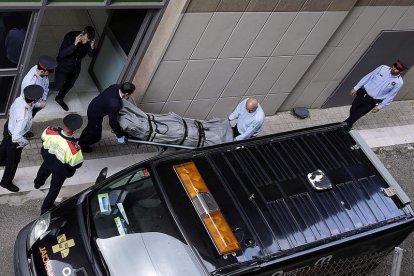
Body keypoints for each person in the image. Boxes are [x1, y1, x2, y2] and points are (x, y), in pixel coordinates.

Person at [34, 113, 83, 214]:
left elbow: (43, 140)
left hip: (48, 160)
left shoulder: (50, 131)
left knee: (43, 170)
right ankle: (45, 208)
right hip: (60, 170)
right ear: (74, 131)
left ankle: (37, 183)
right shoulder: (74, 148)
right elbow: (76, 164)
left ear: (65, 125)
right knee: (54, 189)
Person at [0, 85, 43, 192]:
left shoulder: (20, 99)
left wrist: (38, 104)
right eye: (37, 99)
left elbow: (13, 111)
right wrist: (24, 142)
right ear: (32, 101)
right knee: (13, 162)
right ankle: (6, 182)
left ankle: (1, 160)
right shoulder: (24, 116)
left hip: (8, 129)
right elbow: (16, 137)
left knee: (3, 148)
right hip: (14, 139)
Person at [344, 60, 406, 128]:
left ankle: (345, 125)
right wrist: (356, 88)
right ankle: (349, 123)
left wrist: (380, 107)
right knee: (353, 109)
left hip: (372, 101)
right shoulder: (383, 68)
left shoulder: (399, 82)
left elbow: (391, 96)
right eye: (394, 66)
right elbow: (369, 76)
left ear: (401, 71)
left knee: (358, 114)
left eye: (397, 69)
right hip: (363, 93)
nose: (394, 68)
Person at [78, 82, 136, 153]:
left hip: (95, 105)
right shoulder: (114, 104)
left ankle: (82, 140)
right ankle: (82, 145)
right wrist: (119, 136)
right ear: (127, 94)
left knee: (91, 128)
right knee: (95, 134)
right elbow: (112, 122)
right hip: (95, 113)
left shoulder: (115, 86)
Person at [54, 26, 97, 111]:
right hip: (63, 65)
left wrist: (92, 47)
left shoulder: (89, 42)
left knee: (69, 84)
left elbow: (91, 55)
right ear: (83, 33)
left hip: (76, 67)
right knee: (57, 86)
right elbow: (62, 54)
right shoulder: (70, 36)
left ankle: (59, 98)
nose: (85, 42)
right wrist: (75, 43)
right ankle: (43, 87)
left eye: (87, 41)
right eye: (84, 39)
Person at [21, 55, 57, 121]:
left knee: (30, 119)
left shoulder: (40, 71)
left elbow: (46, 87)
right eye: (48, 73)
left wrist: (44, 99)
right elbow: (25, 101)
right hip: (29, 106)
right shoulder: (30, 83)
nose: (48, 75)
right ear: (43, 71)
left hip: (37, 101)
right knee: (25, 120)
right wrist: (39, 105)